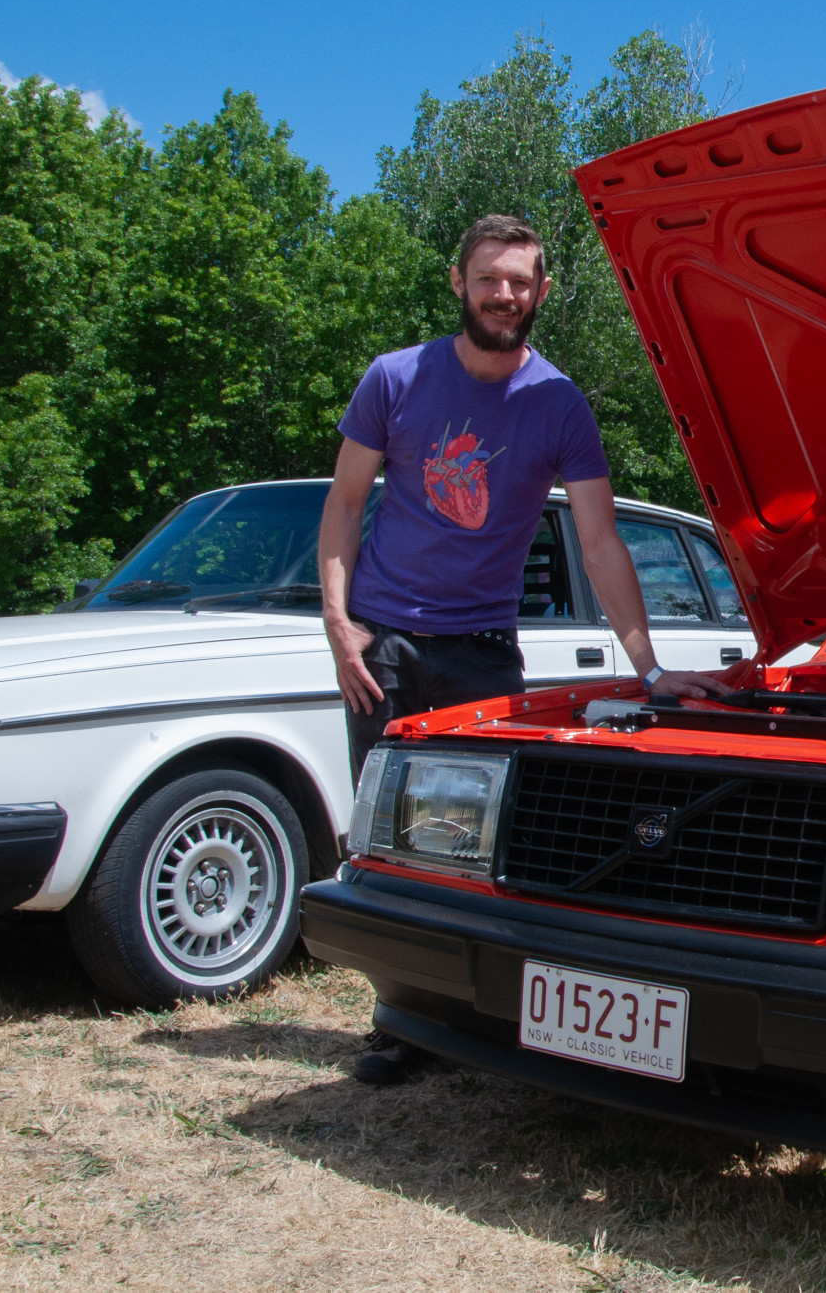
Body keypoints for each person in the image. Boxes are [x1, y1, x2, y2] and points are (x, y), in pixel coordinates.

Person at [318, 213, 729, 1084]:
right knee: (386, 838)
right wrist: (339, 625)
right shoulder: (394, 378)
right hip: (384, 643)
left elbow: (602, 541)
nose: (504, 294)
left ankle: (474, 1014)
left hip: (482, 653)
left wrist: (648, 666)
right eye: (489, 278)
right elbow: (345, 505)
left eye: (520, 281)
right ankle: (400, 1019)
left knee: (475, 839)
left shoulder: (558, 403)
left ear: (542, 293)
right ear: (459, 284)